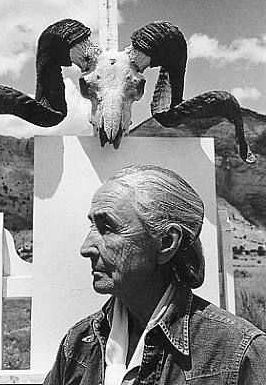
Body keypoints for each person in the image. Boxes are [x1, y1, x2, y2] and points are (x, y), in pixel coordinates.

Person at [44, 164, 266, 385]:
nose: (86, 248)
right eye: (92, 226)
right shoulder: (78, 344)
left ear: (166, 243)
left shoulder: (238, 354)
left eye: (108, 228)